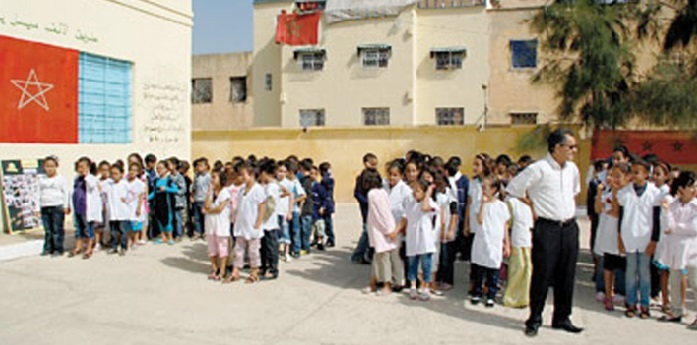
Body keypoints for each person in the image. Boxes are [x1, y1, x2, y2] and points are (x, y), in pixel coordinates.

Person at [507, 129, 583, 336]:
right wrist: (531, 204)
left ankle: (562, 316)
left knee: (566, 274)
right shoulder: (538, 169)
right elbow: (514, 189)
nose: (574, 150)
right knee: (542, 274)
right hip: (546, 228)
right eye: (571, 147)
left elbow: (574, 192)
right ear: (557, 148)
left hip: (569, 227)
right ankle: (535, 318)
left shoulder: (572, 169)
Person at [618, 158, 662, 319]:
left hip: (646, 237)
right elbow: (622, 217)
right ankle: (630, 303)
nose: (634, 176)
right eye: (632, 172)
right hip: (629, 236)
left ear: (646, 174)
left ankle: (644, 304)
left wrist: (654, 240)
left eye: (638, 172)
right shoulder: (624, 193)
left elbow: (657, 219)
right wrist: (620, 238)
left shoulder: (655, 193)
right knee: (630, 272)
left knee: (644, 272)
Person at [657, 171, 697, 325]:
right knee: (674, 279)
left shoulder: (695, 206)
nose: (693, 190)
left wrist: (676, 227)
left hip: (692, 249)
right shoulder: (671, 205)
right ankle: (676, 310)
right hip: (675, 248)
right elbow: (666, 227)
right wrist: (670, 217)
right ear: (681, 188)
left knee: (695, 281)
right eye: (691, 186)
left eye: (694, 186)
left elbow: (693, 228)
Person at [395, 179, 438, 302]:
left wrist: (429, 192)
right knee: (412, 264)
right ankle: (413, 286)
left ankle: (426, 287)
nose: (414, 193)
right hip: (413, 238)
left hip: (425, 240)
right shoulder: (410, 204)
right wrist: (397, 231)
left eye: (418, 191)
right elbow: (405, 218)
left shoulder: (430, 203)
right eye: (414, 190)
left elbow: (425, 207)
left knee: (426, 265)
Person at [594, 163, 629, 311]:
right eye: (612, 176)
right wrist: (600, 193)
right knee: (608, 266)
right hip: (608, 234)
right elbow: (598, 209)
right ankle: (608, 295)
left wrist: (615, 192)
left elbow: (615, 212)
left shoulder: (627, 195)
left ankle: (625, 294)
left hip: (622, 236)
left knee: (623, 267)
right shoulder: (608, 193)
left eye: (618, 176)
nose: (614, 179)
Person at [471, 175, 510, 308]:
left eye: (485, 187)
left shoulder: (502, 206)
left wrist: (506, 244)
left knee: (493, 270)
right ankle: (477, 292)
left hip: (495, 241)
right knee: (479, 269)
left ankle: (491, 295)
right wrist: (482, 203)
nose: (483, 190)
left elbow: (505, 225)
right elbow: (480, 220)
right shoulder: (480, 204)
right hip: (482, 239)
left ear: (494, 189)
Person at [362, 169, 398, 296]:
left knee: (383, 259)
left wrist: (388, 230)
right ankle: (373, 283)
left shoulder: (373, 194)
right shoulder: (381, 192)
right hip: (382, 230)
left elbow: (382, 214)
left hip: (382, 232)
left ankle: (387, 285)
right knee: (378, 258)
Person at [230, 162, 266, 284]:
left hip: (252, 225)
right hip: (241, 225)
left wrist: (258, 222)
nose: (240, 178)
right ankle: (236, 271)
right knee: (238, 250)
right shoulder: (241, 190)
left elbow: (262, 206)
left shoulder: (258, 189)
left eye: (242, 175)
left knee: (253, 251)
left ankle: (254, 272)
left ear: (251, 175)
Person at [503, 172, 534, 308]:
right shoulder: (512, 202)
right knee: (518, 267)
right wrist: (506, 243)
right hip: (516, 239)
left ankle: (523, 298)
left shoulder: (531, 204)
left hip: (528, 239)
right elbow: (506, 224)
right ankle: (511, 297)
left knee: (528, 268)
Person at [466, 153, 493, 295]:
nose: (474, 167)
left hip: (487, 224)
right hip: (474, 225)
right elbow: (469, 204)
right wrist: (466, 224)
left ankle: (487, 283)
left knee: (487, 254)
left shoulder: (491, 183)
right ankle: (474, 283)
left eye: (477, 164)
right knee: (474, 255)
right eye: (474, 164)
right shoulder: (472, 183)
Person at [384, 159, 410, 290]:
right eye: (390, 174)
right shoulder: (384, 187)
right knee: (385, 255)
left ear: (401, 176)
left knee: (396, 256)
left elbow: (406, 213)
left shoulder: (405, 190)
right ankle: (385, 279)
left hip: (397, 228)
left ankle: (399, 281)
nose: (391, 177)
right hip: (385, 228)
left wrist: (397, 230)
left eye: (395, 175)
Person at [68, 157, 100, 260]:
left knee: (88, 229)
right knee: (78, 229)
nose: (80, 169)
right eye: (79, 167)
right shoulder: (77, 179)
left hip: (87, 209)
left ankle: (89, 248)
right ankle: (78, 247)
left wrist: (86, 175)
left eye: (83, 167)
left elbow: (91, 185)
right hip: (77, 208)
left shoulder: (91, 178)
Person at [38, 156, 70, 257]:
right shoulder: (41, 179)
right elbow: (37, 193)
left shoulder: (61, 179)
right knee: (48, 230)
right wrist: (36, 208)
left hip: (57, 206)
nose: (49, 168)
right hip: (45, 206)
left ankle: (58, 249)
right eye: (47, 166)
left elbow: (66, 193)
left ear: (56, 166)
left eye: (52, 166)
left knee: (57, 229)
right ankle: (48, 248)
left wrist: (65, 206)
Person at [204, 167, 231, 281]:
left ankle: (223, 270)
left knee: (222, 247)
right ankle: (214, 268)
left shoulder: (225, 192)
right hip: (210, 224)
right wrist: (210, 192)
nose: (212, 180)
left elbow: (220, 208)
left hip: (221, 225)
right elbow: (206, 205)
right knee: (212, 247)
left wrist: (208, 210)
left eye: (214, 177)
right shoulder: (211, 192)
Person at [351, 153, 378, 264]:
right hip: (366, 209)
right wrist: (367, 201)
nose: (374, 166)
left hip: (376, 208)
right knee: (367, 231)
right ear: (366, 163)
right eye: (372, 164)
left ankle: (370, 254)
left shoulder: (377, 175)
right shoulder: (361, 177)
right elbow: (357, 193)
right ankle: (357, 254)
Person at [260, 159, 281, 280]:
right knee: (264, 247)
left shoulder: (271, 187)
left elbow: (270, 205)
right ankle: (264, 267)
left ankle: (273, 269)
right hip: (266, 223)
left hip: (269, 223)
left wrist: (262, 218)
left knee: (271, 247)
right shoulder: (269, 186)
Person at [149, 161, 178, 245]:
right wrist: (147, 198)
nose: (159, 170)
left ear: (166, 169)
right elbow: (154, 192)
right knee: (159, 220)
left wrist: (166, 189)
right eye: (157, 168)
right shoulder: (156, 180)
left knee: (168, 220)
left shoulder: (169, 180)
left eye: (161, 168)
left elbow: (176, 190)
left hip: (167, 203)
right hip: (157, 204)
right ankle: (163, 237)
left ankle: (170, 237)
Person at [106, 162, 130, 256]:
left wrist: (127, 199)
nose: (114, 176)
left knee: (122, 230)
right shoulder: (110, 185)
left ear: (121, 174)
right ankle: (114, 246)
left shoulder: (125, 184)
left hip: (122, 212)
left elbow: (133, 194)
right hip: (112, 212)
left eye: (116, 173)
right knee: (113, 231)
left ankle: (124, 246)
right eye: (112, 173)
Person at [286, 160, 306, 258]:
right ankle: (289, 249)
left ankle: (297, 249)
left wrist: (293, 201)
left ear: (290, 172)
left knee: (295, 230)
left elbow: (303, 196)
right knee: (287, 230)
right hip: (286, 210)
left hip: (294, 210)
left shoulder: (295, 183)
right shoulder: (285, 182)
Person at [125, 163, 146, 250]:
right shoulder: (125, 182)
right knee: (128, 224)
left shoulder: (139, 183)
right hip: (127, 206)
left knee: (136, 225)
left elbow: (141, 196)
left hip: (136, 206)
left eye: (134, 170)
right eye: (131, 170)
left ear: (137, 172)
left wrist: (139, 207)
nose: (132, 172)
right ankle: (129, 239)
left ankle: (135, 240)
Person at [276, 162, 295, 262]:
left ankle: (286, 252)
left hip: (284, 211)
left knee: (285, 231)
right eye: (279, 171)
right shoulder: (273, 183)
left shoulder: (289, 184)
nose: (281, 174)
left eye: (284, 171)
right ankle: (277, 251)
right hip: (275, 212)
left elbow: (291, 197)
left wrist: (289, 211)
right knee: (276, 232)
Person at [167, 157, 187, 242]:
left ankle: (179, 234)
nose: (167, 166)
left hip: (178, 201)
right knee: (172, 218)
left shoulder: (179, 177)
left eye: (169, 164)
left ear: (175, 165)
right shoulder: (168, 176)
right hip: (170, 200)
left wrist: (175, 190)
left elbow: (183, 190)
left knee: (179, 218)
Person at [191, 158, 211, 240]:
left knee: (205, 218)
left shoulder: (208, 177)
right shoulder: (196, 176)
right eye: (198, 165)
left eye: (201, 165)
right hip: (197, 199)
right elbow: (194, 187)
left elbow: (210, 188)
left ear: (206, 166)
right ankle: (197, 232)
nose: (199, 167)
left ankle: (206, 233)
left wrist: (208, 199)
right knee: (197, 217)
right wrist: (192, 196)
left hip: (204, 199)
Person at [311, 166, 329, 251]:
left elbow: (325, 198)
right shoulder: (305, 185)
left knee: (320, 227)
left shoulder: (319, 187)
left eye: (315, 174)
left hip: (317, 211)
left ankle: (320, 242)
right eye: (311, 173)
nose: (313, 176)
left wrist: (323, 207)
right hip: (309, 210)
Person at [299, 160, 315, 255]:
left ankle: (306, 247)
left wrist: (300, 208)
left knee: (305, 229)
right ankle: (305, 246)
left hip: (306, 207)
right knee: (305, 228)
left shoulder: (305, 181)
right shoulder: (307, 180)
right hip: (308, 207)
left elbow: (303, 196)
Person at [94, 161, 111, 251]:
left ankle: (107, 241)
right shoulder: (96, 181)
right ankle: (97, 242)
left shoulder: (111, 182)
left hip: (109, 206)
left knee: (108, 226)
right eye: (103, 170)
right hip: (98, 205)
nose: (105, 172)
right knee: (98, 226)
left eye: (107, 170)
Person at [320, 162, 336, 248]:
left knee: (327, 222)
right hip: (328, 202)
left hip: (327, 203)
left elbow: (327, 193)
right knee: (326, 222)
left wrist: (324, 205)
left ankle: (331, 238)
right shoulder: (327, 179)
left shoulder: (327, 180)